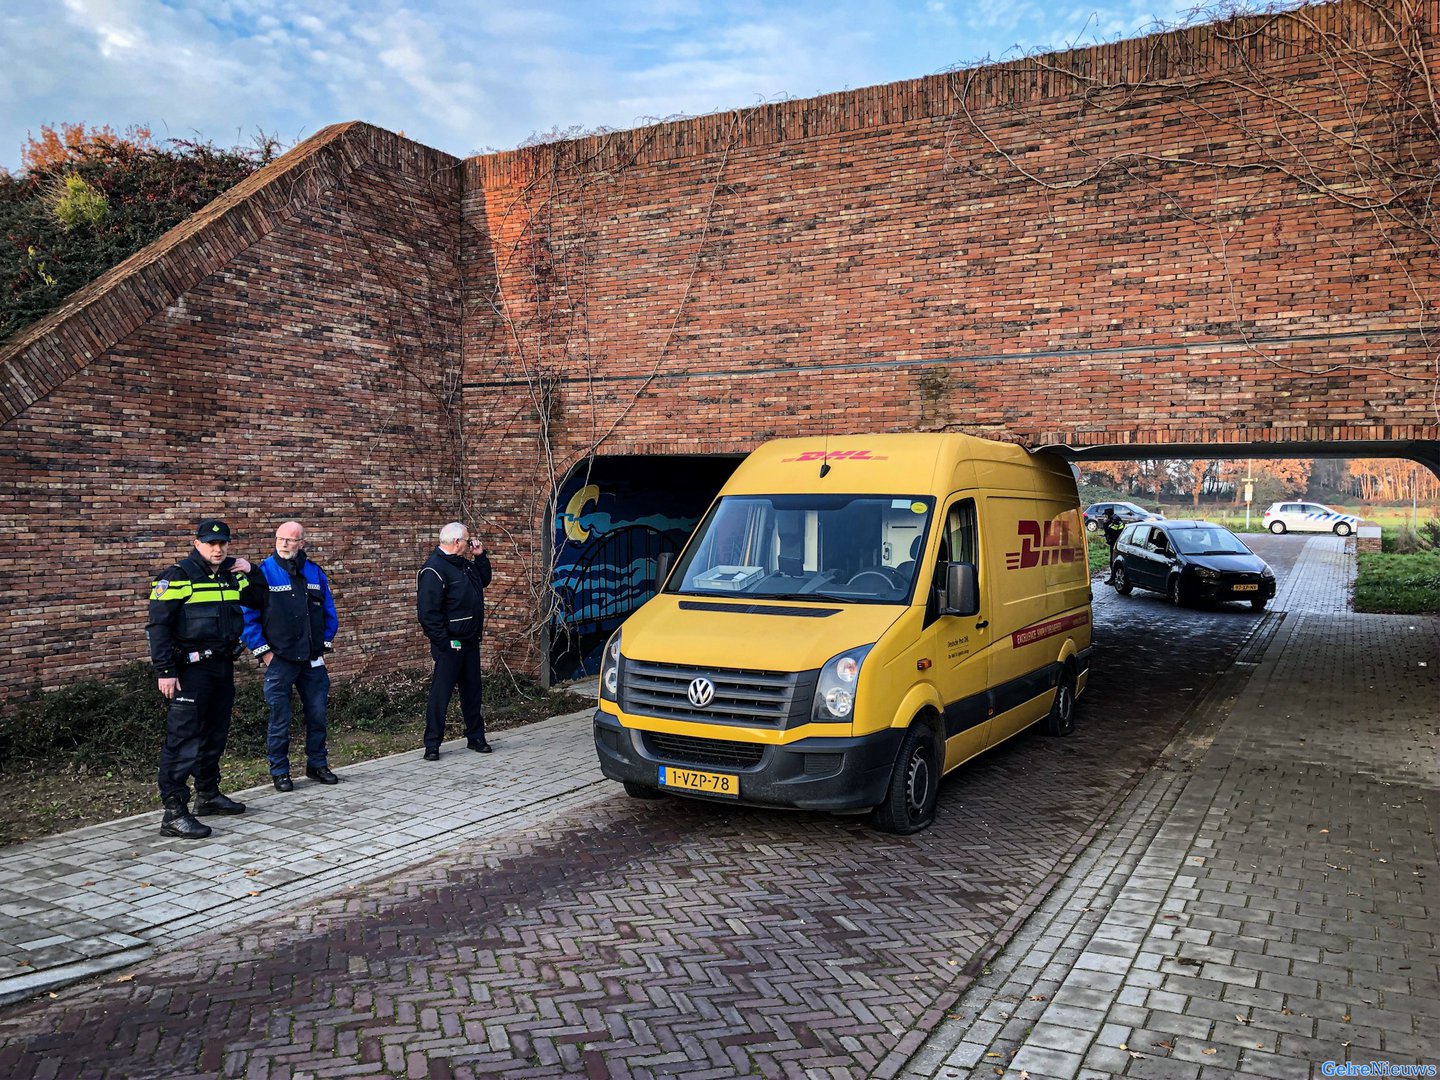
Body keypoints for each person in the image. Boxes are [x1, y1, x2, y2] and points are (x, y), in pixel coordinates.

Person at [146, 519, 264, 839]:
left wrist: (252, 571)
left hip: (222, 668)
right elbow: (157, 628)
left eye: (223, 543)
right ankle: (173, 812)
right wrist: (165, 671)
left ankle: (208, 795)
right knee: (183, 739)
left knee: (215, 734)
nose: (218, 548)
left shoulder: (230, 576)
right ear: (196, 543)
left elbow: (259, 599)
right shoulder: (178, 577)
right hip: (189, 672)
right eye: (210, 543)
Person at [241, 521, 340, 792]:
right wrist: (265, 653)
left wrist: (324, 643)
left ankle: (317, 764)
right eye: (280, 539)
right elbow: (248, 618)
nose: (284, 544)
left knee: (318, 715)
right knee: (280, 718)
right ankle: (280, 771)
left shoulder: (314, 572)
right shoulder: (263, 573)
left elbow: (329, 611)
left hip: (311, 660)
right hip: (280, 660)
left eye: (290, 540)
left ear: (301, 544)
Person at [416, 522, 493, 759]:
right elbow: (428, 614)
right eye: (468, 541)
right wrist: (444, 641)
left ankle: (475, 736)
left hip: (470, 641)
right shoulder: (433, 570)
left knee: (472, 692)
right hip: (450, 644)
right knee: (441, 694)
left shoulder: (465, 566)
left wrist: (480, 557)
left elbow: (484, 581)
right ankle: (432, 744)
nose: (470, 544)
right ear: (457, 542)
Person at [1101, 507, 1125, 584]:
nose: (1105, 517)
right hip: (1115, 542)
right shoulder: (1115, 518)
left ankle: (1114, 579)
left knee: (1113, 561)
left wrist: (1105, 523)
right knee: (1113, 561)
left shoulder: (1115, 520)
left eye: (1105, 515)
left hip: (1116, 543)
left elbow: (1109, 530)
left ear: (1108, 515)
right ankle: (1113, 578)